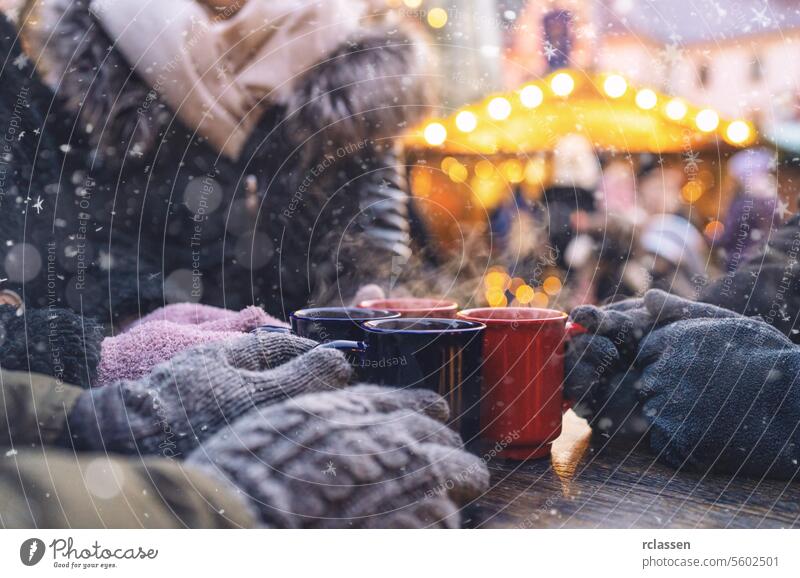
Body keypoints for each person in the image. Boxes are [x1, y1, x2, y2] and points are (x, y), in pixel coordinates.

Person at [4, 0, 431, 326]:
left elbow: (368, 231)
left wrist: (359, 306)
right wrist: (150, 327)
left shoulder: (355, 59)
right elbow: (83, 232)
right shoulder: (96, 51)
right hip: (152, 382)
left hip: (316, 370)